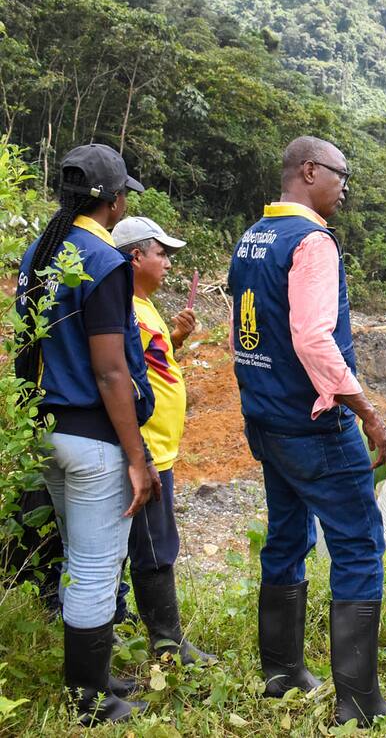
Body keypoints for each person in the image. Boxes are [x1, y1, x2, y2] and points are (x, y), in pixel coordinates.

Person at [227, 135, 386, 726]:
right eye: (340, 173)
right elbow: (311, 339)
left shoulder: (253, 238)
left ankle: (281, 673)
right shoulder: (312, 242)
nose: (345, 186)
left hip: (266, 418)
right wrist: (367, 411)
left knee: (286, 536)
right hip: (313, 424)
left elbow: (244, 332)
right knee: (358, 542)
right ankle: (358, 702)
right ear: (309, 171)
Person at [16, 144, 160, 725]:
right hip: (92, 437)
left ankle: (94, 676)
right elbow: (110, 371)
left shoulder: (41, 250)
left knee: (80, 558)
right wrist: (136, 455)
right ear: (115, 201)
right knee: (97, 568)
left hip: (46, 430)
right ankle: (89, 699)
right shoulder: (103, 260)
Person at [110, 216, 214, 666]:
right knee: (154, 545)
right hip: (144, 449)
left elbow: (148, 362)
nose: (168, 262)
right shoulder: (125, 309)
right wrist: (142, 452)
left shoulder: (143, 306)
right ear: (136, 257)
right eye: (161, 253)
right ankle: (169, 646)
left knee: (143, 541)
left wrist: (176, 338)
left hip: (156, 449)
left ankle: (125, 626)